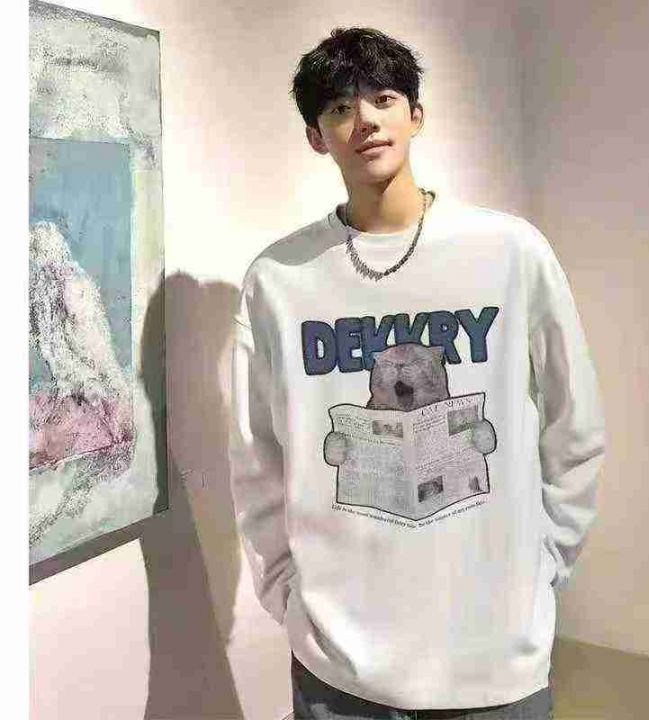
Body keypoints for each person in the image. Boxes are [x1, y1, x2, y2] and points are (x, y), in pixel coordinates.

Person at [229, 26, 606, 719]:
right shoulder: (279, 279)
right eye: (339, 108)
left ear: (416, 115)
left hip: (492, 655)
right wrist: (287, 595)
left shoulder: (508, 251)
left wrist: (544, 565)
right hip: (337, 661)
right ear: (316, 136)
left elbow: (574, 422)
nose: (365, 121)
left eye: (383, 99)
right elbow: (256, 457)